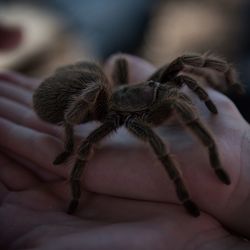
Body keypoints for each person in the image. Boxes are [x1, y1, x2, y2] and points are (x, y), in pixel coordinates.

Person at [0, 54, 249, 249]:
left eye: (156, 85)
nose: (159, 86)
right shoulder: (113, 111)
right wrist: (69, 146)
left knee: (180, 65)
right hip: (68, 104)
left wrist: (220, 84)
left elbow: (181, 75)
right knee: (152, 141)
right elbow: (89, 143)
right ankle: (184, 191)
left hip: (88, 94)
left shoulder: (154, 87)